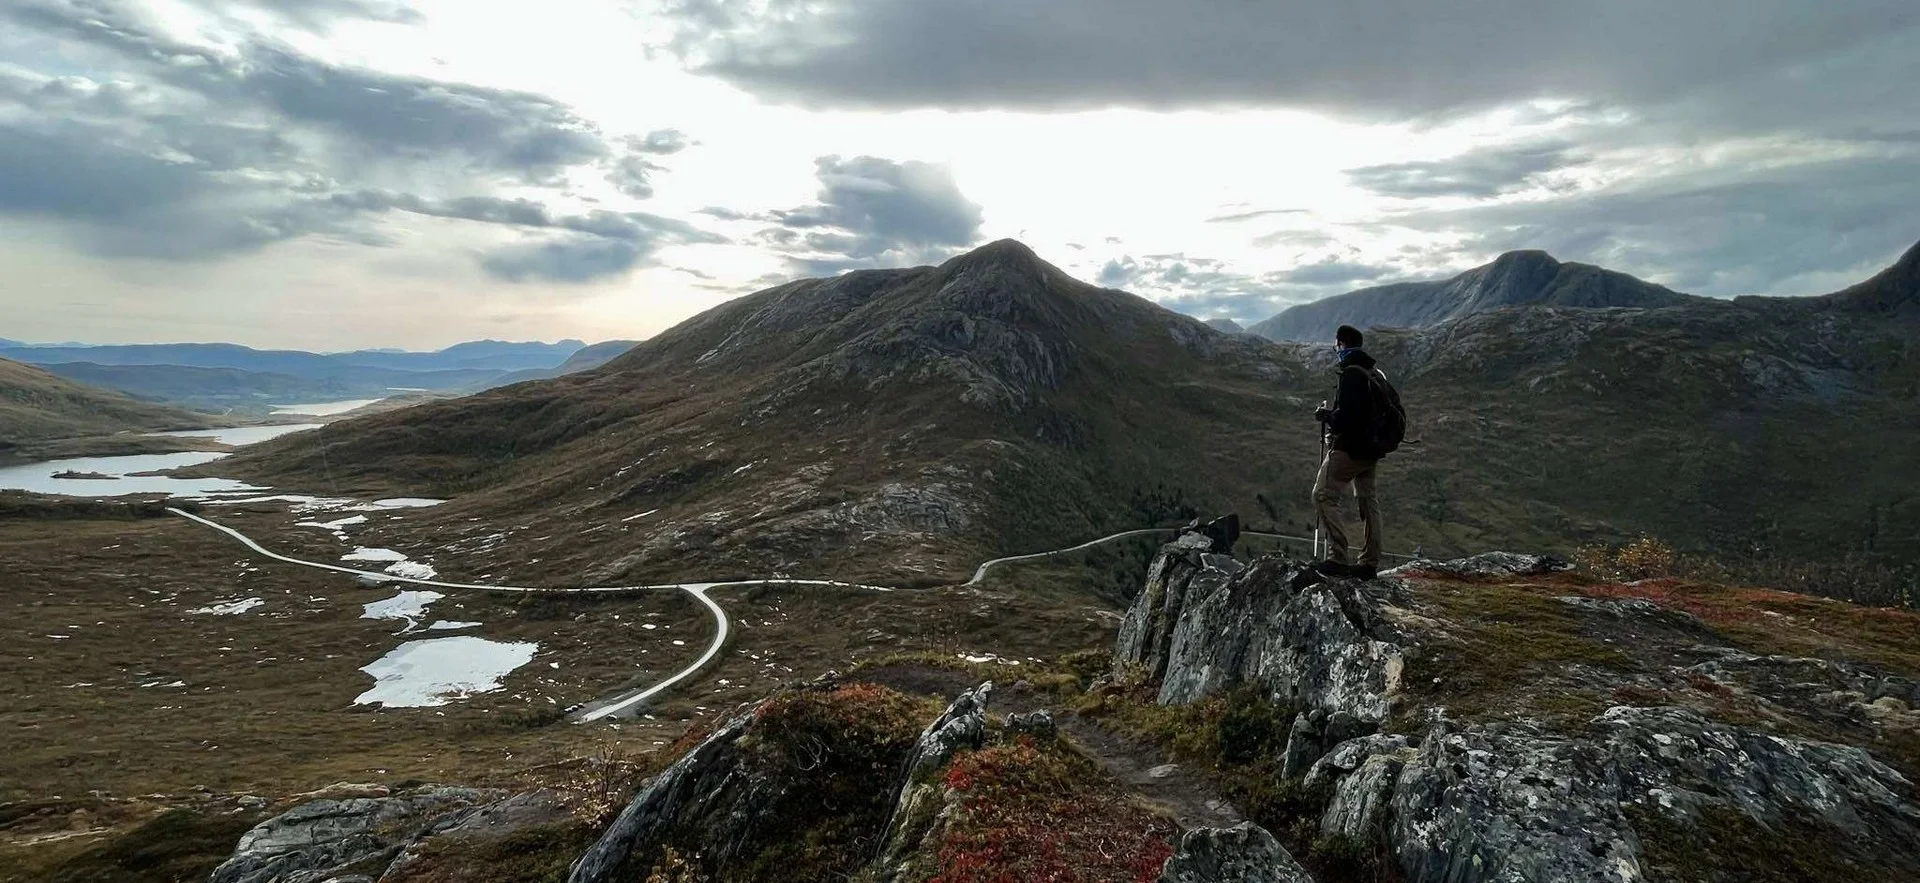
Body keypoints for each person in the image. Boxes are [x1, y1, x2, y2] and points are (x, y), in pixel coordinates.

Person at [1312, 325, 1386, 579]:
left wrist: (1326, 416)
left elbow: (1346, 419)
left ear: (1342, 345)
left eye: (1337, 346)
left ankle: (1338, 557)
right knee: (1368, 501)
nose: (1337, 350)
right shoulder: (1372, 372)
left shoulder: (1351, 375)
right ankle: (1369, 563)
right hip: (1371, 450)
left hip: (1350, 449)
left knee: (1322, 494)